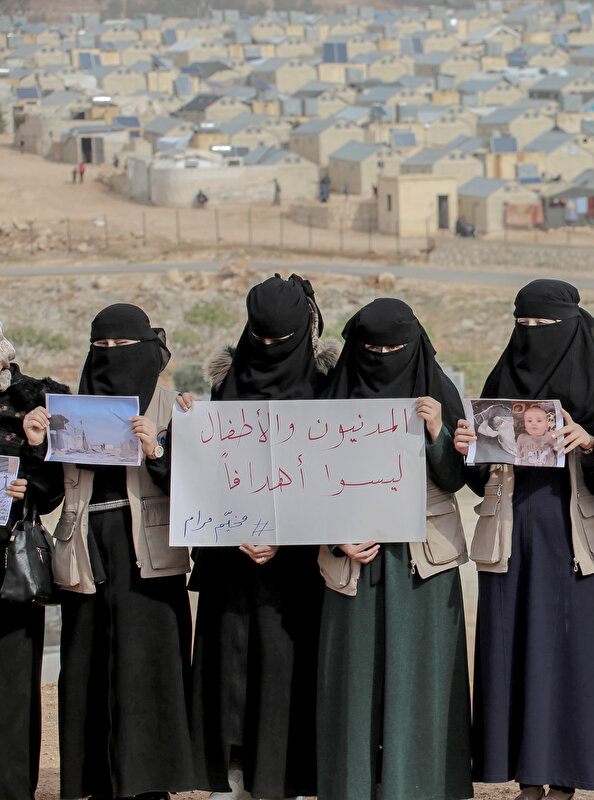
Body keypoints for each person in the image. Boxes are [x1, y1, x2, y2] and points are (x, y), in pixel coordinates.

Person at [22, 304, 195, 800]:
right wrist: (38, 444)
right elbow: (50, 495)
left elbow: (199, 489)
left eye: (124, 347)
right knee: (89, 666)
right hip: (86, 548)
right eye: (103, 347)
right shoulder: (74, 410)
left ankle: (150, 785)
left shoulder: (172, 407)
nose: (113, 356)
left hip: (150, 553)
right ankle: (94, 782)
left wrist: (156, 452)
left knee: (148, 667)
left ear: (147, 347)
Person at [455, 279, 594, 800]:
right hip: (509, 534)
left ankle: (565, 777)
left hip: (571, 538)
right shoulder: (503, 377)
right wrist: (468, 449)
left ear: (570, 326)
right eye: (523, 325)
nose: (532, 335)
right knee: (514, 650)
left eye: (545, 326)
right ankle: (527, 777)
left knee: (569, 654)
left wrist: (589, 444)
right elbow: (479, 478)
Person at [316, 298, 473, 800]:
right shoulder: (330, 402)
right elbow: (303, 482)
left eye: (394, 348)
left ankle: (420, 785)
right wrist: (333, 537)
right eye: (372, 348)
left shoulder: (440, 396)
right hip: (354, 562)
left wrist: (436, 432)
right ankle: (354, 786)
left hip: (422, 562)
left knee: (420, 676)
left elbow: (456, 479)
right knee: (354, 683)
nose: (383, 356)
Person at [192, 274, 339, 800]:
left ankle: (292, 774)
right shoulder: (225, 382)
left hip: (300, 557)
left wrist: (286, 533)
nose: (270, 350)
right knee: (231, 658)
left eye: (283, 340)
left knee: (288, 661)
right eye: (262, 339)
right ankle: (231, 771)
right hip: (234, 552)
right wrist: (240, 531)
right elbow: (212, 464)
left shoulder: (329, 384)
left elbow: (333, 468)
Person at [0, 320, 67, 800]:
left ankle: (11, 787)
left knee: (12, 684)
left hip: (10, 565)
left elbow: (49, 496)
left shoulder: (34, 400)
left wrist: (34, 450)